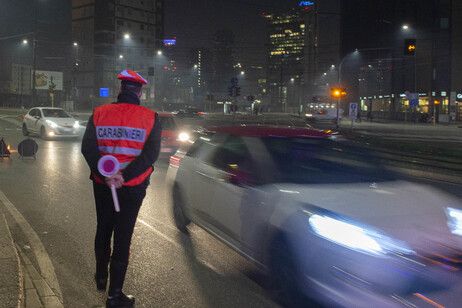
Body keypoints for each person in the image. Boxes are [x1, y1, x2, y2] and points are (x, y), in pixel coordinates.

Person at [81, 70, 162, 308]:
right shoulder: (151, 117)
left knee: (103, 226)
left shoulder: (99, 113)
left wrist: (107, 175)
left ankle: (101, 274)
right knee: (123, 235)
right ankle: (115, 296)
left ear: (120, 89)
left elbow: (88, 148)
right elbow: (150, 155)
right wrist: (123, 176)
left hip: (102, 183)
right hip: (132, 186)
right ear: (139, 92)